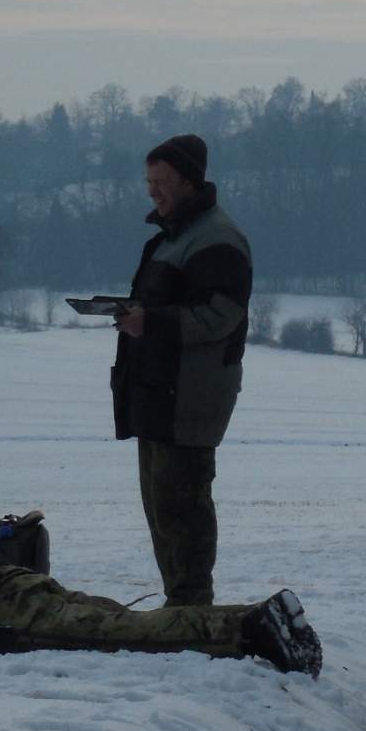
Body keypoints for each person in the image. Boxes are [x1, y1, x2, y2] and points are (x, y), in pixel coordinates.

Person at [0, 467, 321, 674]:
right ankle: (258, 618)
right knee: (119, 618)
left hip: (0, 606)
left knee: (127, 634)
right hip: (9, 582)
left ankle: (249, 627)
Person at [112, 134, 253, 607]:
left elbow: (219, 317)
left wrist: (149, 321)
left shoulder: (217, 239)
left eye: (162, 182)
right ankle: (180, 606)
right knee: (160, 508)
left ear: (189, 182)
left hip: (189, 398)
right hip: (156, 394)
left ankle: (191, 608)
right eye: (149, 182)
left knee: (182, 507)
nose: (153, 192)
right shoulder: (171, 239)